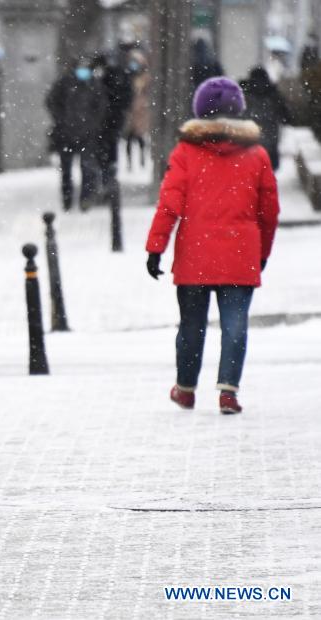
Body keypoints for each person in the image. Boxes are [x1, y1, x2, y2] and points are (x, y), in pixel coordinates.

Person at [145, 77, 279, 415]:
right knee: (235, 324)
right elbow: (269, 211)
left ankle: (186, 388)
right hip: (240, 254)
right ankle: (228, 391)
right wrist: (262, 251)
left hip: (196, 254)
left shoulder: (185, 152)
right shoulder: (257, 155)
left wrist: (156, 247)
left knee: (192, 324)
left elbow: (169, 204)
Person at [46, 60, 106, 211]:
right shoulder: (65, 83)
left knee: (86, 168)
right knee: (66, 170)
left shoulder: (94, 84)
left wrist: (93, 123)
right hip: (66, 134)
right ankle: (68, 200)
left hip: (87, 134)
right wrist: (61, 119)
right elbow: (51, 101)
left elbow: (101, 106)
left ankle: (84, 199)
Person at [91, 52, 133, 196]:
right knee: (107, 153)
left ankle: (107, 183)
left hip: (106, 122)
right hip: (108, 122)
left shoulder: (110, 77)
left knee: (104, 153)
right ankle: (108, 182)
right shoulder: (115, 76)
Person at [240, 67, 292, 171]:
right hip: (270, 144)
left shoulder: (243, 95)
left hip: (248, 144)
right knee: (268, 175)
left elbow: (236, 117)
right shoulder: (274, 95)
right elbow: (287, 118)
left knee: (250, 176)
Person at [122, 48, 150, 170]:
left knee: (139, 137)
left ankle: (142, 159)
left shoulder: (145, 77)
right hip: (130, 111)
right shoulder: (126, 76)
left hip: (140, 111)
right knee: (129, 137)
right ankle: (130, 161)